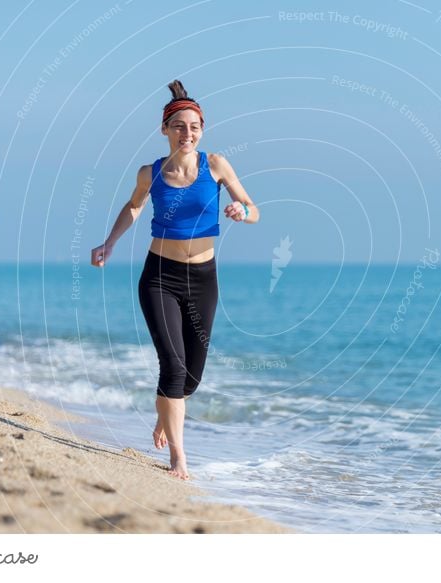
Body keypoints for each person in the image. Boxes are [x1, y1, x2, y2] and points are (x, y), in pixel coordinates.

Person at [90, 80, 259, 480]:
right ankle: (179, 457)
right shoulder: (151, 173)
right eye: (179, 126)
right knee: (174, 365)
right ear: (164, 129)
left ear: (203, 129)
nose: (188, 133)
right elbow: (133, 208)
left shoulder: (216, 165)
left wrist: (239, 210)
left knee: (192, 378)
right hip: (159, 277)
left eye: (194, 126)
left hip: (203, 277)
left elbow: (255, 210)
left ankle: (166, 415)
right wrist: (109, 242)